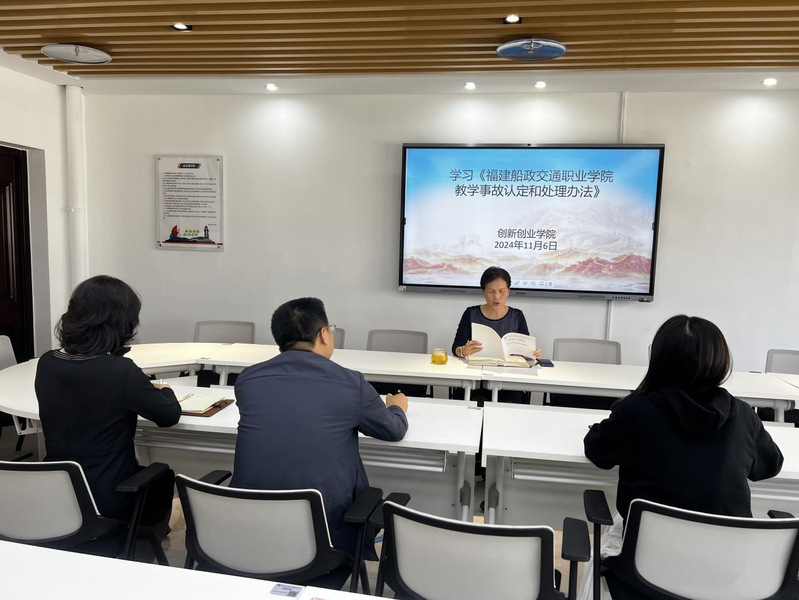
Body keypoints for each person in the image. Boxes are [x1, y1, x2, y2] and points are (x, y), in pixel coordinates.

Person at [578, 315, 784, 600]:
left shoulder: (636, 410)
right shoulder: (742, 415)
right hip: (726, 573)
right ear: (720, 360)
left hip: (646, 572)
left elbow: (598, 452)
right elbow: (769, 465)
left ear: (659, 359)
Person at [231, 297, 409, 562]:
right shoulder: (351, 383)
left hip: (245, 535)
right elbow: (392, 430)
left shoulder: (248, 379)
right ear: (324, 334)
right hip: (324, 541)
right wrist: (397, 407)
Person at [35, 275, 181, 528]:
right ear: (121, 322)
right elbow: (168, 415)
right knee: (163, 475)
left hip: (59, 493)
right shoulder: (120, 371)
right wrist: (166, 389)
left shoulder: (47, 362)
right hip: (110, 499)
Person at [451, 266, 539, 403]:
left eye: (502, 291)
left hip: (508, 381)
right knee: (466, 401)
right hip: (476, 380)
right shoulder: (471, 313)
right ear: (483, 292)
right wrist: (463, 351)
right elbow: (456, 347)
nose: (497, 297)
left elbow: (525, 351)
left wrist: (530, 354)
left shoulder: (517, 316)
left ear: (508, 291)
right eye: (491, 291)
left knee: (513, 402)